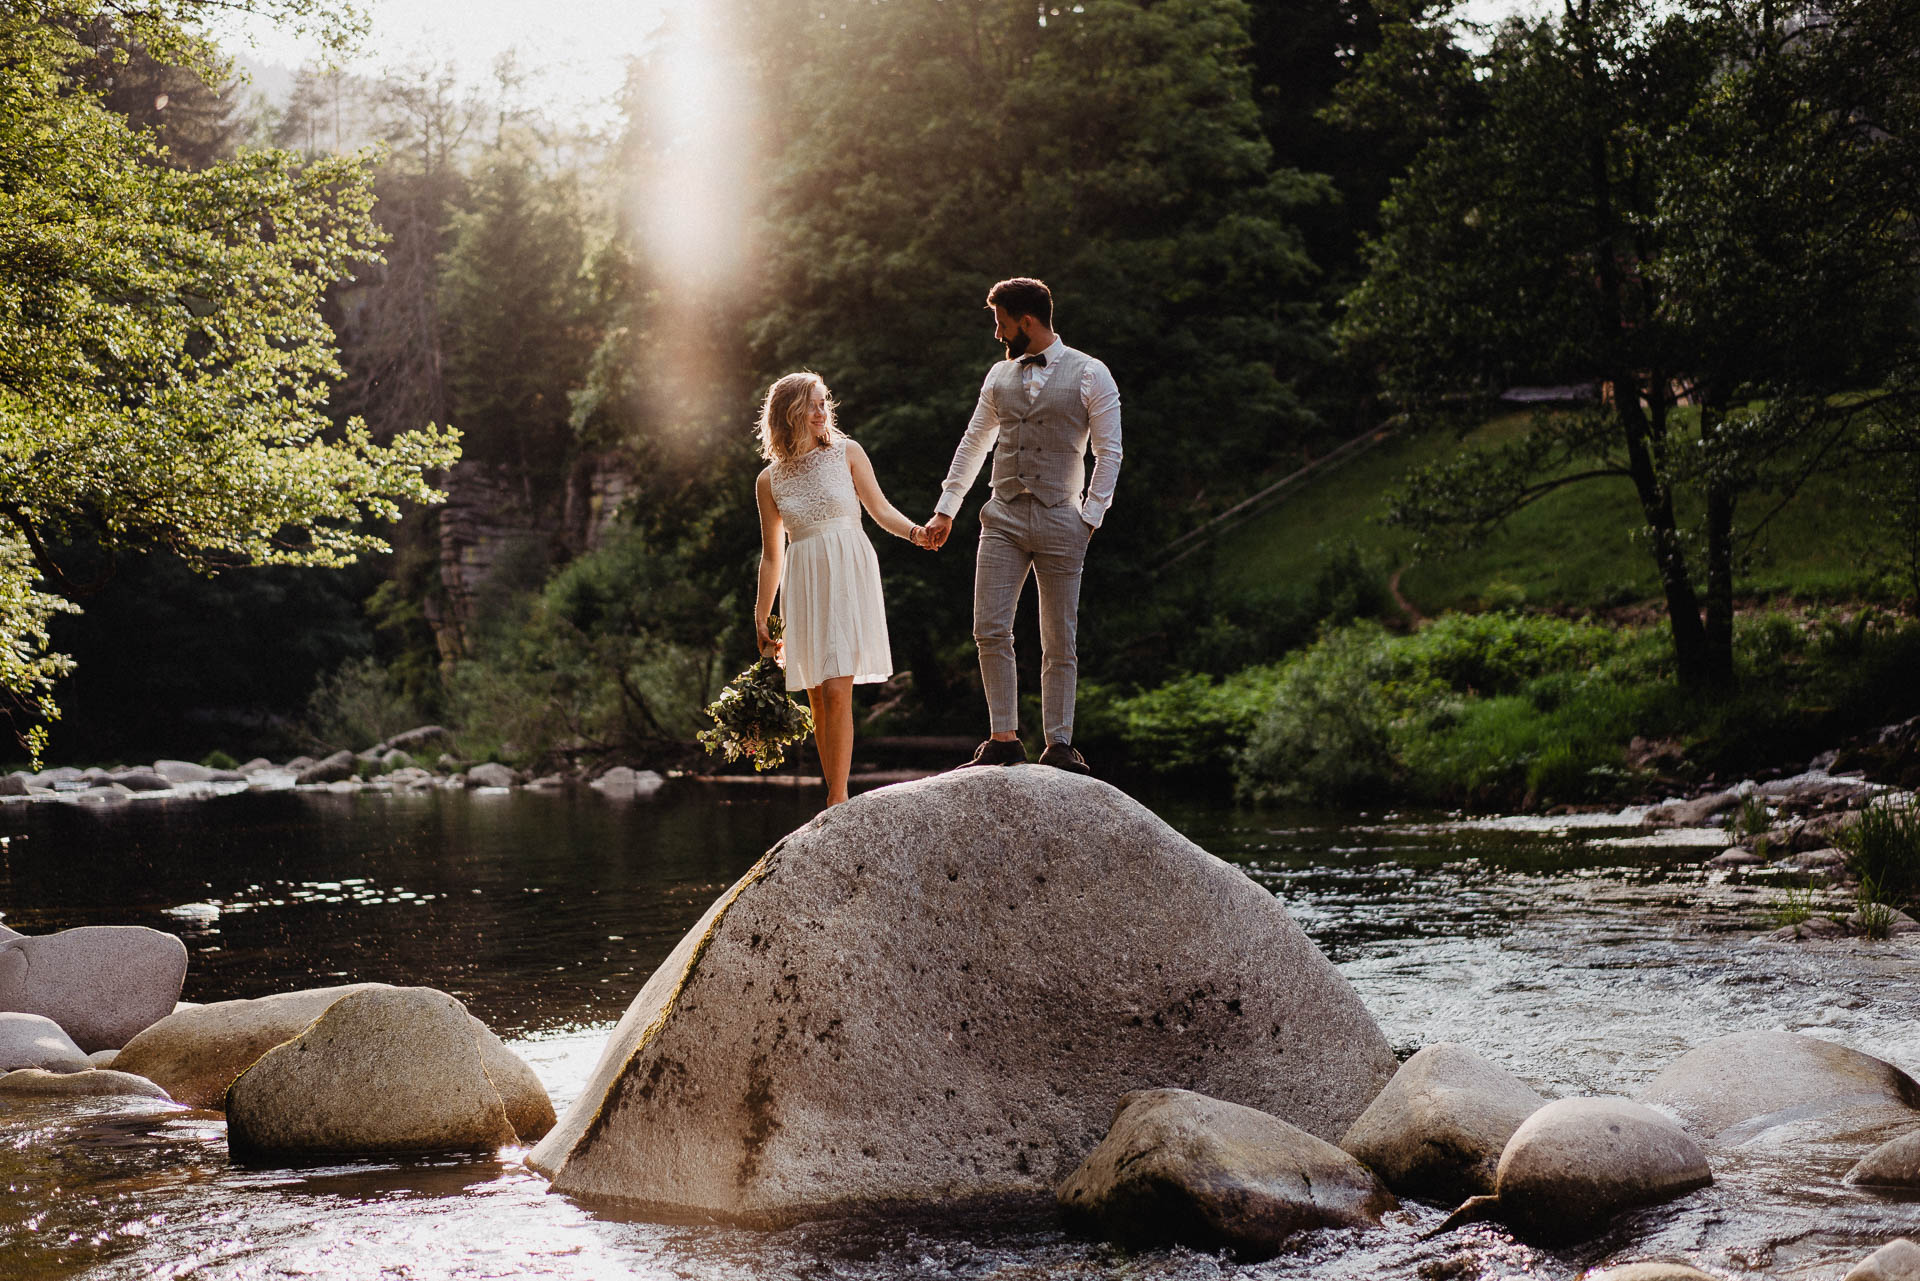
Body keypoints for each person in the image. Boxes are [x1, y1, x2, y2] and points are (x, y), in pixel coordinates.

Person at [920, 277, 1122, 774]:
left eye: (1001, 322)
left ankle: (1059, 743)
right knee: (989, 626)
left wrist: (1089, 518)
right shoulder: (997, 377)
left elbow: (1110, 452)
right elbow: (974, 442)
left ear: (1026, 322)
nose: (997, 333)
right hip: (1003, 515)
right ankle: (1004, 737)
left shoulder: (1091, 374)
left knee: (1059, 636)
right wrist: (947, 507)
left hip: (1062, 518)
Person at [754, 371, 926, 807]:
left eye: (822, 402)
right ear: (788, 413)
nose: (821, 411)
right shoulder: (768, 481)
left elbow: (880, 509)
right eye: (811, 404)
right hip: (803, 575)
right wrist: (762, 615)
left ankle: (838, 798)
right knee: (815, 691)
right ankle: (833, 791)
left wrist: (915, 533)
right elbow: (772, 554)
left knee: (835, 688)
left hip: (847, 568)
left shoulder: (847, 453)